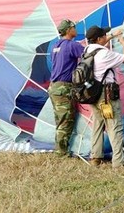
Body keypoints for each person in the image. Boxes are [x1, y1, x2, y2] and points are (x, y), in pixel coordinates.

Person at [84, 25, 124, 167]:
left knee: (97, 125)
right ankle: (118, 162)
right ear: (99, 39)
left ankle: (95, 157)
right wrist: (122, 42)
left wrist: (112, 35)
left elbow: (100, 44)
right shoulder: (105, 54)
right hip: (107, 96)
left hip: (93, 94)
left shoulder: (87, 51)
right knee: (114, 126)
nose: (106, 37)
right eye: (104, 35)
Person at [48, 19, 84, 156]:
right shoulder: (71, 45)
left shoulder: (55, 46)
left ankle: (59, 148)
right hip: (64, 87)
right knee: (66, 121)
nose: (76, 29)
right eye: (74, 27)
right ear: (69, 30)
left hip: (53, 87)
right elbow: (91, 54)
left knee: (59, 119)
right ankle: (61, 152)